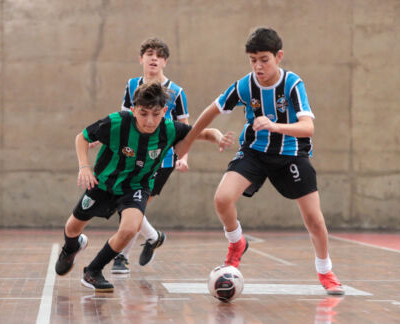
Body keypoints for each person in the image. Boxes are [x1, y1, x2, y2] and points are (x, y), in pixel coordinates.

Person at [175, 27, 345, 295]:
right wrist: (185, 146)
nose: (258, 66)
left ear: (279, 56)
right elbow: (211, 111)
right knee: (222, 198)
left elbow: (307, 128)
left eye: (264, 59)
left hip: (291, 154)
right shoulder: (244, 85)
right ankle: (237, 243)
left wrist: (275, 126)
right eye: (253, 60)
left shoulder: (292, 84)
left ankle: (325, 270)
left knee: (314, 219)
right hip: (254, 152)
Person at [55, 82, 234, 292]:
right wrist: (84, 167)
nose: (150, 121)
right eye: (143, 113)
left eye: (156, 114)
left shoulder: (169, 129)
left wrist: (218, 138)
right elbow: (82, 137)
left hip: (137, 187)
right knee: (72, 228)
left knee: (130, 228)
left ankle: (93, 271)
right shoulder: (116, 122)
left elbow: (204, 131)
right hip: (103, 184)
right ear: (133, 110)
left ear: (165, 112)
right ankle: (71, 248)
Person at [112, 37, 189, 274]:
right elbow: (124, 119)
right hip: (133, 155)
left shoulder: (176, 91)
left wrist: (183, 156)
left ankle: (121, 257)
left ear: (165, 61)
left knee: (135, 206)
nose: (153, 58)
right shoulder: (132, 84)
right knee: (130, 205)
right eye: (149, 54)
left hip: (161, 159)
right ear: (141, 59)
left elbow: (185, 126)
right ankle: (153, 237)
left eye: (159, 55)